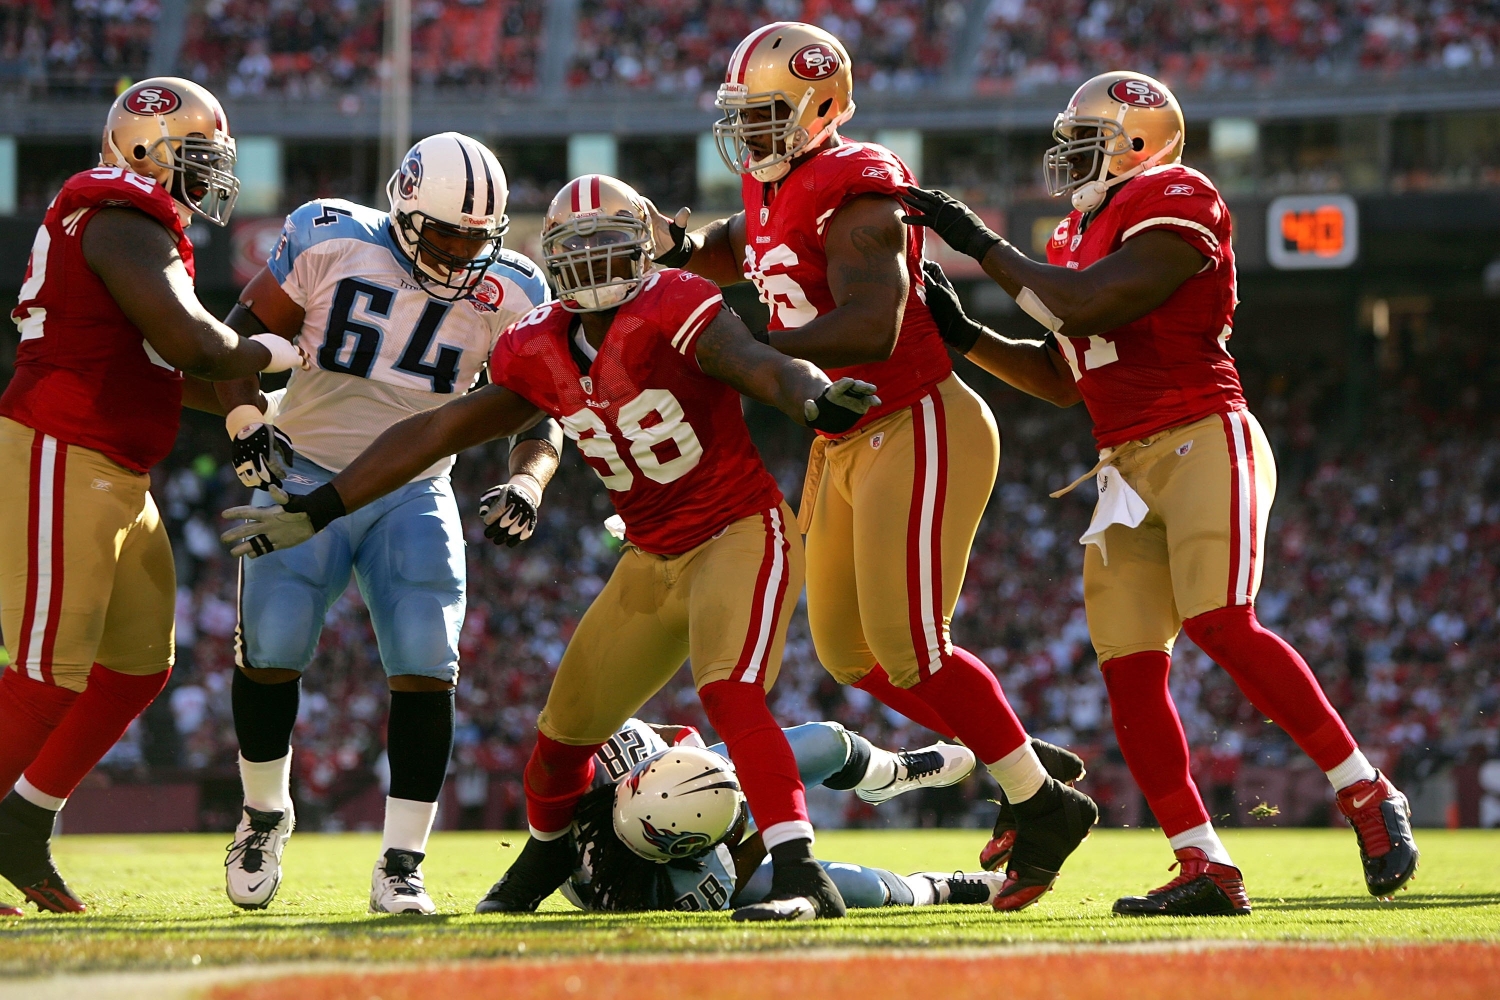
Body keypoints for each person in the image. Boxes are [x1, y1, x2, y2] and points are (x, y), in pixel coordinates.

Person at [221, 174, 882, 921]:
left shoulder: (677, 300)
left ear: (644, 249)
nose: (597, 267)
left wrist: (809, 393)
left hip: (736, 530)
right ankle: (541, 859)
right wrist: (320, 508)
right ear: (553, 259)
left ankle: (799, 873)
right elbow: (436, 431)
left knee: (729, 692)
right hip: (650, 553)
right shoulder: (535, 342)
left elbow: (757, 362)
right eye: (580, 250)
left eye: (611, 248)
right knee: (563, 736)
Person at [899, 70, 1419, 915]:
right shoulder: (1071, 233)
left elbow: (1101, 299)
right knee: (1130, 674)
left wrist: (984, 245)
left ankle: (1365, 791)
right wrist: (966, 336)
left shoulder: (1178, 194)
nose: (1068, 156)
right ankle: (1201, 862)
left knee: (1220, 620)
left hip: (1201, 434)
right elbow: (1063, 376)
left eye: (1087, 138)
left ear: (1139, 141)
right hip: (1121, 468)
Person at [647, 20, 1097, 911]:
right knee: (852, 655)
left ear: (821, 108)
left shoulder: (862, 190)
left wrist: (745, 348)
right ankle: (1015, 755)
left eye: (769, 114)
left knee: (915, 648)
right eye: (743, 114)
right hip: (846, 437)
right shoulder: (777, 181)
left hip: (917, 418)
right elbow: (750, 240)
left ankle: (1044, 803)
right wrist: (681, 251)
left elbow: (874, 325)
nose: (752, 133)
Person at [213, 133, 559, 915]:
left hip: (415, 489)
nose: (462, 252)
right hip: (301, 469)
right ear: (404, 209)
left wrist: (528, 480)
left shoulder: (511, 286)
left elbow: (538, 409)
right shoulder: (328, 235)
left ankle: (401, 863)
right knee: (269, 651)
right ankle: (264, 811)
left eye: (479, 237)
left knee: (426, 665)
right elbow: (231, 341)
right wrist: (243, 418)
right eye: (445, 233)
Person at [0, 77, 308, 914]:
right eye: (199, 159)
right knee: (45, 671)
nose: (211, 178)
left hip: (117, 465)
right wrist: (288, 353)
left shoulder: (139, 224)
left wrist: (260, 396)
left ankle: (22, 822)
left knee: (137, 663)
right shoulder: (118, 215)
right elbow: (191, 341)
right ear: (148, 150)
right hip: (61, 447)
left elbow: (176, 368)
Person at [563, 718, 1084, 913]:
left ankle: (894, 770)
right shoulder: (683, 888)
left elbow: (673, 737)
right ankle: (949, 887)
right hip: (707, 864)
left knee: (827, 743)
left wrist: (700, 758)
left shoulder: (616, 756)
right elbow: (751, 851)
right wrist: (774, 813)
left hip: (687, 807)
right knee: (858, 890)